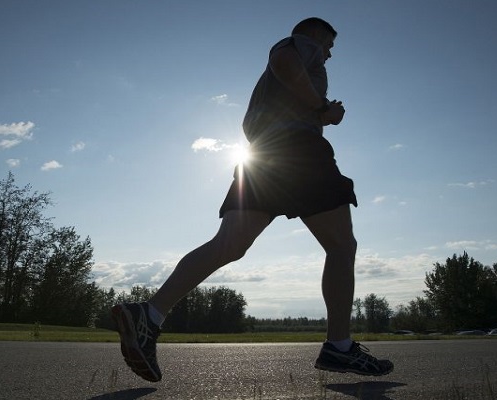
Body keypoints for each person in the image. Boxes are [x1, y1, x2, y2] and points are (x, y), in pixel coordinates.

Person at [111, 17, 394, 382]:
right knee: (341, 245)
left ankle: (149, 314)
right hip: (299, 152)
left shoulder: (292, 61)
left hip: (261, 155)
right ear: (317, 35)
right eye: (330, 47)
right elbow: (285, 61)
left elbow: (284, 73)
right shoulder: (300, 44)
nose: (329, 55)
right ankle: (339, 346)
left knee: (229, 244)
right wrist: (323, 109)